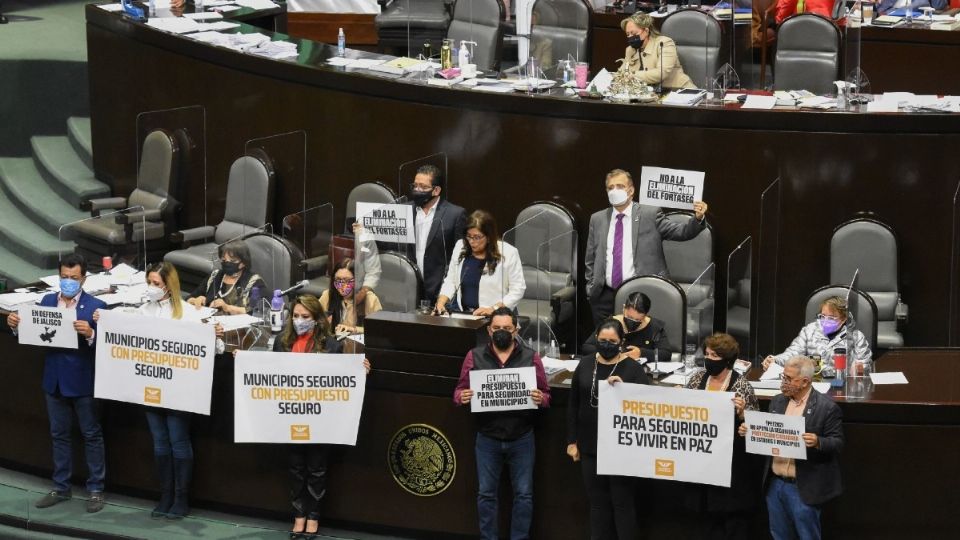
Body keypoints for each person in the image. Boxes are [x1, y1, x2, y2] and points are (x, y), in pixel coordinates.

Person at [106, 262, 224, 519]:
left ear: (169, 286)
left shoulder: (189, 313)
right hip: (151, 387)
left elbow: (215, 349)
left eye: (156, 284)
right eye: (149, 282)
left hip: (180, 391)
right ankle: (165, 495)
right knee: (160, 444)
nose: (151, 288)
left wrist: (213, 335)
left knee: (178, 443)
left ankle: (181, 499)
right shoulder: (143, 311)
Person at [6, 254, 108, 513]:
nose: (68, 282)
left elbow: (108, 345)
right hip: (54, 381)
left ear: (84, 278)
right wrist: (15, 325)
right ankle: (61, 487)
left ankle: (95, 489)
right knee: (58, 435)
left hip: (83, 382)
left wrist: (91, 334)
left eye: (74, 278)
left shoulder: (96, 306)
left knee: (91, 435)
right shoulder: (47, 301)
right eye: (64, 277)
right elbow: (32, 332)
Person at [273, 294, 371, 538]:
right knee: (296, 468)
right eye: (295, 316)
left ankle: (313, 516)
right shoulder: (282, 342)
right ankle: (298, 515)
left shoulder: (331, 345)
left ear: (317, 319)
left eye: (305, 317)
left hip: (319, 417)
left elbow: (340, 378)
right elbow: (268, 371)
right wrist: (246, 362)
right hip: (291, 415)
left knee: (317, 469)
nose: (299, 321)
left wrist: (360, 369)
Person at [453, 307, 551, 540]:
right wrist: (462, 397)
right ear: (489, 330)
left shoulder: (531, 357)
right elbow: (458, 392)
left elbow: (546, 395)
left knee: (524, 495)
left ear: (516, 330)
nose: (501, 332)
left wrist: (540, 398)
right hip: (487, 438)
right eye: (497, 328)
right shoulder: (474, 356)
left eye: (507, 328)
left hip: (522, 438)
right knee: (486, 495)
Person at [584, 168, 709, 326]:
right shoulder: (597, 218)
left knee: (639, 345)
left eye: (620, 186)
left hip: (642, 294)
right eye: (610, 187)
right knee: (607, 343)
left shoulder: (650, 214)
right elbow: (590, 258)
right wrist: (591, 289)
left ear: (631, 191)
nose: (614, 190)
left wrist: (697, 218)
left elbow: (681, 232)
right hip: (604, 297)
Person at [740, 356, 844, 540]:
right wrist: (751, 430)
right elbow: (769, 434)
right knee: (778, 535)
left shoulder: (826, 407)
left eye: (789, 378)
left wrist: (818, 441)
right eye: (783, 376)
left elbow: (837, 443)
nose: (784, 382)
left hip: (802, 487)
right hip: (775, 484)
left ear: (805, 381)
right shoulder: (778, 401)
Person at [567, 319, 648, 540]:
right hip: (590, 446)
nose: (607, 345)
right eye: (602, 340)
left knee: (622, 504)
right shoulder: (585, 364)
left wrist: (625, 390)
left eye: (612, 341)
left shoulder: (633, 368)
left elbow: (647, 405)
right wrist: (572, 441)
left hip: (621, 449)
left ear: (622, 342)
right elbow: (574, 404)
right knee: (597, 504)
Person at [685, 333, 761, 540]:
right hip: (703, 461)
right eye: (707, 354)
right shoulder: (697, 378)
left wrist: (743, 413)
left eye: (715, 356)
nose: (709, 359)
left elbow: (756, 428)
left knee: (731, 522)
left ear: (727, 360)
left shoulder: (741, 385)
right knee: (707, 519)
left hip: (732, 466)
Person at [435, 210, 526, 317]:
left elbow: (518, 289)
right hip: (464, 315)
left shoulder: (508, 252)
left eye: (477, 237)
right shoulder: (460, 246)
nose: (472, 241)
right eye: (469, 236)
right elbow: (451, 280)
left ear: (488, 237)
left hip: (496, 317)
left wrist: (494, 309)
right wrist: (441, 302)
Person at [762, 295, 871, 377]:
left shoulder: (857, 337)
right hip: (811, 386)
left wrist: (859, 369)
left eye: (831, 318)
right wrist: (775, 360)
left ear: (843, 319)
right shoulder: (809, 331)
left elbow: (865, 367)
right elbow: (792, 354)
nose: (825, 321)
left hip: (842, 387)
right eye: (823, 316)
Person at [406, 164, 467, 305]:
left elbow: (460, 254)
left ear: (436, 190)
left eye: (423, 187)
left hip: (440, 288)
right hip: (409, 286)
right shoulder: (404, 210)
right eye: (415, 186)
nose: (417, 190)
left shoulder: (455, 214)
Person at [582, 292, 671, 363]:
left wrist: (642, 353)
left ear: (645, 316)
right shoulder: (610, 323)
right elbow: (587, 347)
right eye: (630, 317)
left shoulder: (654, 327)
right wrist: (611, 351)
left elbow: (666, 354)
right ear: (624, 308)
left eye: (638, 319)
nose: (633, 322)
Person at [618, 12, 695, 90]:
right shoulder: (633, 50)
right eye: (628, 34)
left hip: (679, 92)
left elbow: (661, 73)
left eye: (633, 33)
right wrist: (628, 58)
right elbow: (621, 75)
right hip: (653, 96)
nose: (630, 37)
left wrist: (633, 75)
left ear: (646, 31)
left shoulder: (664, 43)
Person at [187, 240, 266, 315]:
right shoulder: (215, 275)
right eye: (224, 260)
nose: (227, 263)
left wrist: (227, 308)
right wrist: (195, 301)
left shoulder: (254, 282)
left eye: (232, 261)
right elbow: (190, 297)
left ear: (243, 263)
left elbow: (258, 310)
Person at [319, 258, 382, 335]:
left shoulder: (370, 299)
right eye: (338, 279)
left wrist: (354, 329)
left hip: (358, 345)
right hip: (333, 344)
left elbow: (378, 330)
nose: (342, 285)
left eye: (347, 280)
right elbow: (316, 321)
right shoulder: (327, 295)